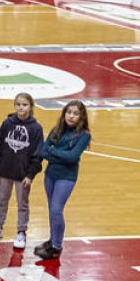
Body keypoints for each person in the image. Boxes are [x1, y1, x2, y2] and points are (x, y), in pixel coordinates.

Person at [0, 93, 44, 248]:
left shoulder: (36, 128)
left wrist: (30, 175)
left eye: (24, 105)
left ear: (31, 106)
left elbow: (38, 155)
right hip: (5, 171)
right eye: (18, 104)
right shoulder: (7, 123)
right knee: (1, 201)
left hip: (22, 175)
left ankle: (21, 232)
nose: (21, 108)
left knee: (22, 204)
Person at [37, 100, 91, 260]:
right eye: (69, 112)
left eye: (75, 113)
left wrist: (54, 152)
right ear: (64, 113)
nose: (71, 116)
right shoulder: (57, 129)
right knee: (51, 211)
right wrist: (59, 153)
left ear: (81, 117)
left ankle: (57, 247)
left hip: (66, 177)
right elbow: (43, 151)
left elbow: (73, 157)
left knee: (56, 210)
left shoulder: (84, 135)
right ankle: (52, 240)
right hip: (50, 174)